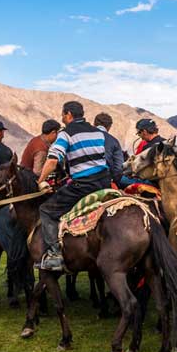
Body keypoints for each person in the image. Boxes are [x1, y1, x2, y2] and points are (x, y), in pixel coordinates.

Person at [36, 101, 111, 271]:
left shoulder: (65, 134)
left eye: (63, 115)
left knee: (46, 210)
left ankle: (55, 255)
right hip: (105, 183)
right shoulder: (98, 132)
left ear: (68, 114)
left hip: (83, 186)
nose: (62, 118)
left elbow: (53, 160)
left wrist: (41, 180)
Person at [94, 113, 123, 186]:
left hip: (82, 180)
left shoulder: (83, 137)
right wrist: (114, 182)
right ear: (109, 126)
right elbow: (119, 167)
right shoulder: (114, 141)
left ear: (94, 123)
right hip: (104, 181)